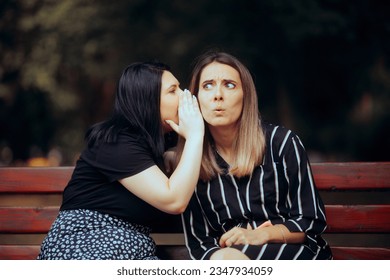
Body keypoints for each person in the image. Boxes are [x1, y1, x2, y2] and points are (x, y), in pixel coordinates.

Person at [37, 61, 204, 260]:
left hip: (128, 251)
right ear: (147, 100)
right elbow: (174, 200)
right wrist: (195, 135)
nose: (185, 95)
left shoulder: (155, 144)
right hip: (83, 245)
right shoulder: (115, 141)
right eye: (173, 90)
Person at [178, 51, 332, 260]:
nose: (218, 95)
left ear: (246, 96)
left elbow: (309, 221)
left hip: (294, 254)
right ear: (196, 98)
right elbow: (200, 242)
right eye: (207, 86)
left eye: (229, 85)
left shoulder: (282, 143)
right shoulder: (192, 159)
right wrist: (225, 259)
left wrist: (262, 234)